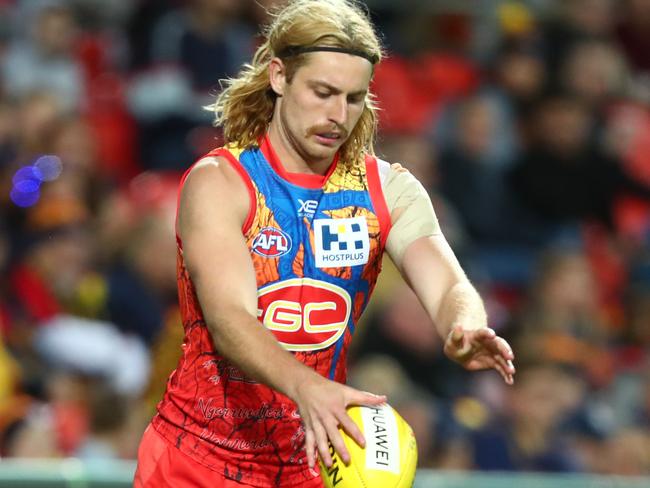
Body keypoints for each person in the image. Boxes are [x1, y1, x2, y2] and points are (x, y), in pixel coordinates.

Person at [134, 1, 516, 486]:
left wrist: (465, 326)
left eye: (355, 98)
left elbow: (446, 284)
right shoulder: (220, 182)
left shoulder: (389, 190)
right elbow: (230, 321)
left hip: (308, 462)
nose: (338, 115)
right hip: (193, 462)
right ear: (278, 76)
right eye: (323, 92)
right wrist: (309, 388)